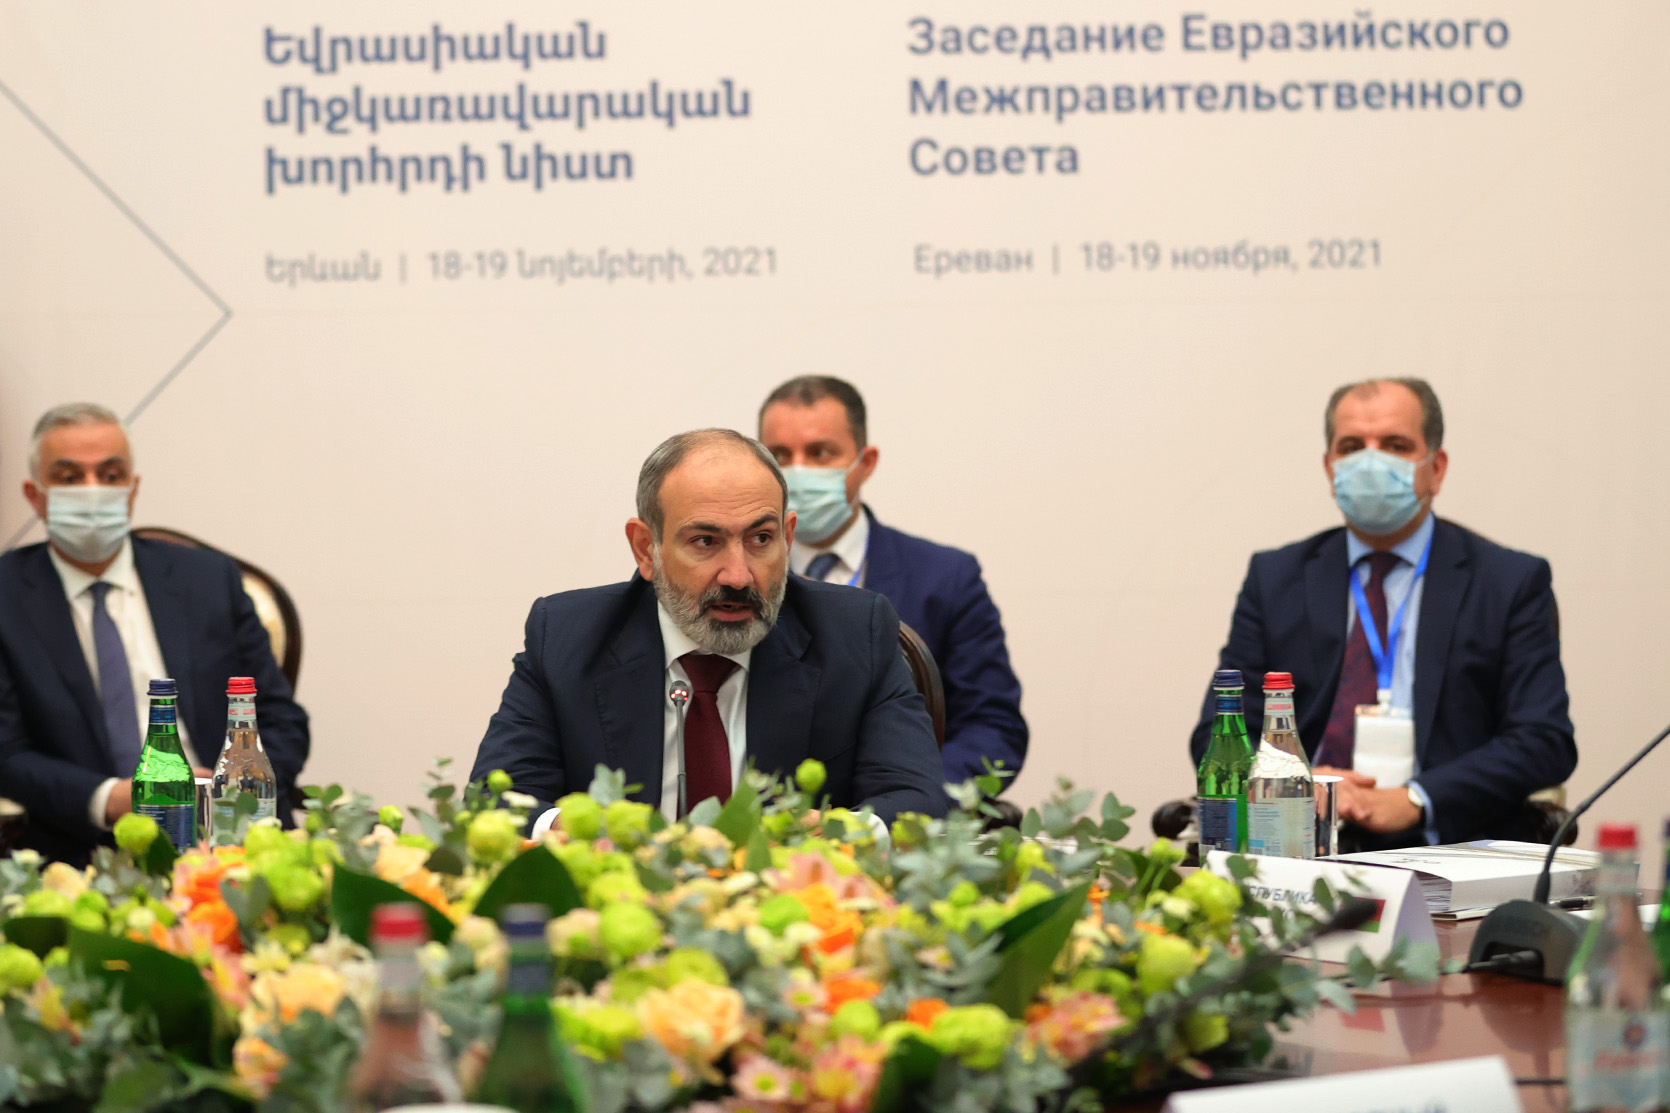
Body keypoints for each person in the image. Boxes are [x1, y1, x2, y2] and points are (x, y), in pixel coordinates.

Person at [471, 428, 946, 823]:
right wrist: (576, 832)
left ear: (787, 537)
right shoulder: (566, 637)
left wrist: (839, 833)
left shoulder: (855, 633)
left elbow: (916, 801)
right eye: (705, 541)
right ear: (645, 549)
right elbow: (495, 802)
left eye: (761, 539)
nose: (738, 575)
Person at [1188, 378, 1575, 850]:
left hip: (1448, 845)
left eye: (1395, 445)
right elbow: (1217, 732)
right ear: (1330, 469)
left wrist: (1417, 798)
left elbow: (1544, 739)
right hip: (1300, 840)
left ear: (1436, 468)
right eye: (1352, 447)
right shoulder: (1276, 578)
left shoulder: (1507, 581)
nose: (1371, 463)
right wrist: (1295, 781)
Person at [0, 403, 310, 864]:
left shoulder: (209, 581)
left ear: (132, 488)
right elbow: (6, 751)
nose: (93, 490)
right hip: (86, 848)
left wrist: (236, 792)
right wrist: (109, 798)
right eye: (69, 477)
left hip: (234, 836)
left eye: (110, 475)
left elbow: (282, 719)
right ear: (35, 495)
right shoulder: (7, 597)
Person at [756, 376, 1027, 789]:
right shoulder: (732, 579)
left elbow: (992, 727)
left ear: (865, 463)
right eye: (779, 455)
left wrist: (911, 799)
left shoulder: (946, 578)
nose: (798, 471)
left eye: (820, 453)